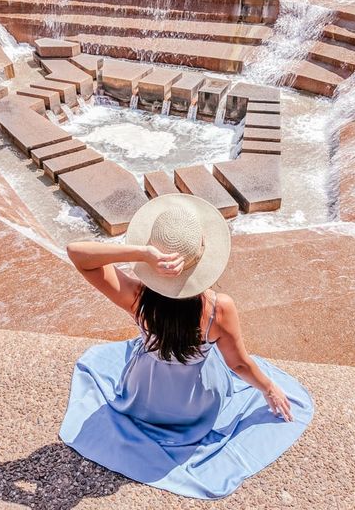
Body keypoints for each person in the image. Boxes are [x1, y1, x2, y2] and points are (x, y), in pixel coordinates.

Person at [59, 194, 314, 499]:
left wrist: (141, 254)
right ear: (202, 260)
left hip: (143, 396)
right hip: (196, 407)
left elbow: (77, 253)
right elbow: (239, 365)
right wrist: (268, 388)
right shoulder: (218, 309)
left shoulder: (137, 298)